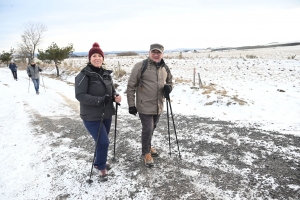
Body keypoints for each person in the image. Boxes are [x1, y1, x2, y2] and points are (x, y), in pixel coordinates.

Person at [75, 42, 121, 181]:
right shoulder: (83, 75)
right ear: (89, 58)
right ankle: (101, 167)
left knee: (102, 140)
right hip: (91, 116)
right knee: (103, 142)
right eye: (94, 55)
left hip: (106, 114)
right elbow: (80, 95)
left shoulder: (107, 74)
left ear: (103, 58)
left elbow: (111, 91)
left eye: (99, 56)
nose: (97, 58)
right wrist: (100, 100)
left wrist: (115, 96)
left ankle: (99, 161)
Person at [127, 43, 173, 167]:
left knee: (152, 128)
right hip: (144, 105)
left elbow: (169, 81)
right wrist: (131, 104)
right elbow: (131, 86)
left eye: (158, 52)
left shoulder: (165, 68)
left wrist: (169, 88)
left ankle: (148, 145)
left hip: (158, 105)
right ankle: (146, 153)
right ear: (149, 53)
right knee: (147, 128)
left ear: (162, 54)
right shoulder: (140, 66)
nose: (156, 54)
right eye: (154, 52)